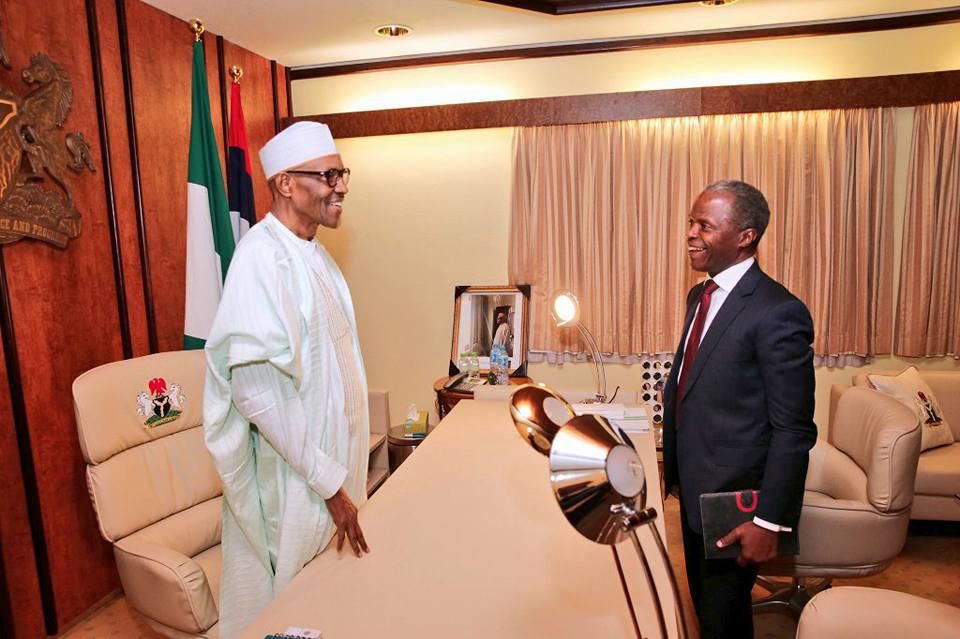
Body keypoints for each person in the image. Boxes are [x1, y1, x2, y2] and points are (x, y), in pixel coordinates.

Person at [203, 121, 370, 638]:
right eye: (327, 175)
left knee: (327, 596)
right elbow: (258, 393)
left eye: (342, 173)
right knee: (291, 602)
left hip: (330, 472)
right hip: (296, 480)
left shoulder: (315, 256)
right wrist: (329, 485)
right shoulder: (261, 257)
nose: (340, 185)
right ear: (285, 184)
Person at [662, 180, 816, 639]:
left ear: (745, 236)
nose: (690, 233)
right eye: (691, 222)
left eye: (704, 225)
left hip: (736, 508)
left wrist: (768, 520)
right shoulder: (700, 295)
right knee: (709, 614)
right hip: (694, 493)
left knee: (725, 620)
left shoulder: (778, 312)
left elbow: (792, 430)